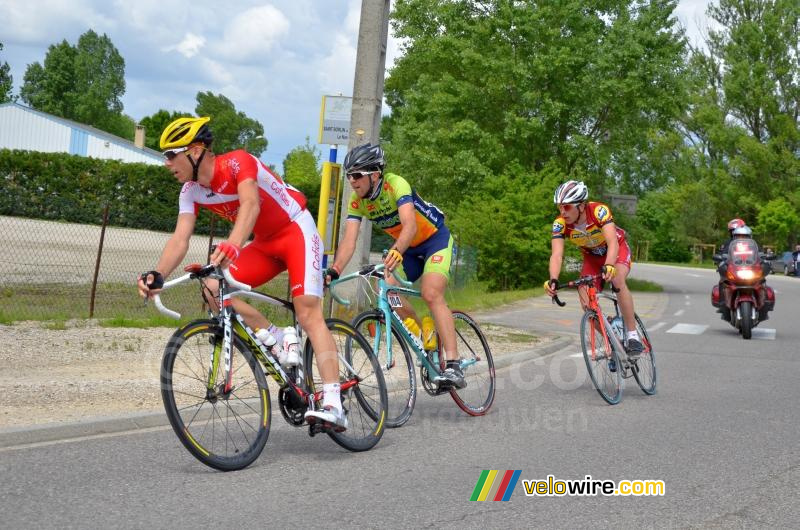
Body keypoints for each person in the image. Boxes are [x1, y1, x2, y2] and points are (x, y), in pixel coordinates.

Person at [136, 116, 347, 430]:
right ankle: (275, 337)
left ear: (194, 151)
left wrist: (234, 245)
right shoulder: (190, 191)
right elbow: (180, 238)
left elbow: (251, 205)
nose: (166, 163)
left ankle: (333, 402)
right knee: (211, 287)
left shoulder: (237, 163)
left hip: (295, 231)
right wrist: (158, 274)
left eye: (170, 154)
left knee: (307, 311)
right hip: (264, 244)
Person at [326, 143, 465, 388]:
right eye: (349, 176)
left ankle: (453, 364)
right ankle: (425, 334)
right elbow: (349, 241)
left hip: (435, 240)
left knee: (431, 293)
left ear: (375, 174)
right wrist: (334, 270)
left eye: (357, 175)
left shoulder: (396, 184)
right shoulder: (358, 202)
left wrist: (395, 251)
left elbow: (409, 226)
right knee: (388, 291)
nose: (352, 181)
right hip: (408, 249)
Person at [543, 180, 644, 357]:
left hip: (616, 251)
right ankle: (612, 338)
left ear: (581, 206)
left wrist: (610, 265)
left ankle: (632, 334)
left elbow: (613, 242)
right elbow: (557, 255)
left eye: (566, 207)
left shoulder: (598, 211)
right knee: (585, 301)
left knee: (617, 279)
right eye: (559, 207)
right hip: (592, 258)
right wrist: (553, 279)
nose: (562, 212)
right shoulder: (560, 224)